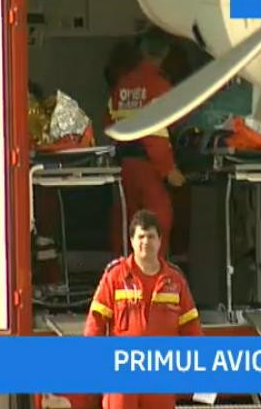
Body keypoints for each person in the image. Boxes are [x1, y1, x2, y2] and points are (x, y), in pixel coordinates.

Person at [84, 209, 203, 409]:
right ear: (131, 241)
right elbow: (95, 323)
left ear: (160, 241)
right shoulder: (115, 277)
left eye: (150, 236)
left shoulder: (175, 280)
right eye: (140, 237)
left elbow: (191, 328)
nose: (145, 242)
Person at [106, 28, 186, 257]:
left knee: (125, 224)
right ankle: (154, 275)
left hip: (125, 167)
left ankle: (124, 273)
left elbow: (109, 124)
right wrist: (169, 169)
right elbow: (157, 133)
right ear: (166, 53)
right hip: (150, 167)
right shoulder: (159, 85)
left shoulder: (122, 85)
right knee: (158, 222)